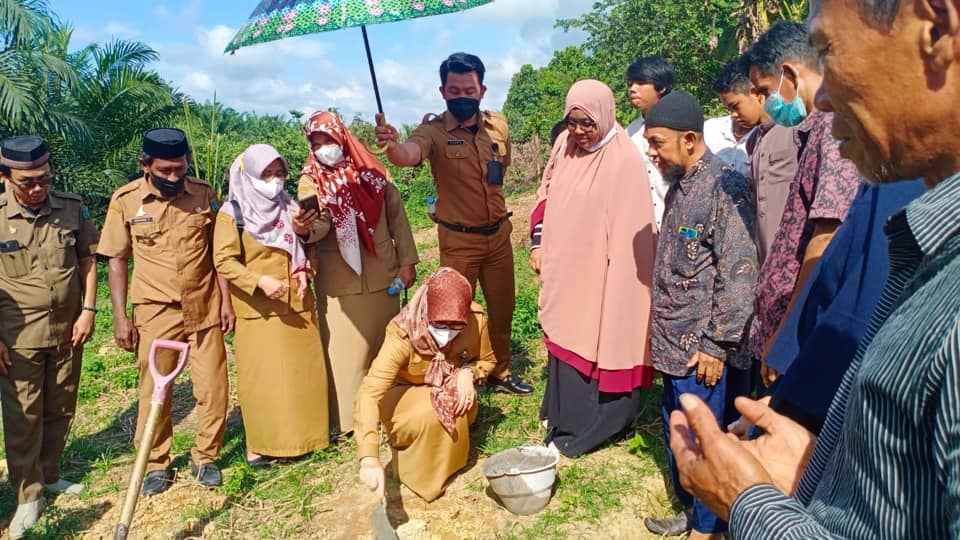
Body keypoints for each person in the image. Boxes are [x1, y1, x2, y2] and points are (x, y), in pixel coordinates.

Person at [669, 1, 960, 537]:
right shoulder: (924, 241)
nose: (822, 97)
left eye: (829, 49)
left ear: (936, 27)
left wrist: (749, 504)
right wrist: (827, 467)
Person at [374, 52, 531, 396]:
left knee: (503, 309)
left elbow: (502, 167)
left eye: (469, 89)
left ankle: (499, 372)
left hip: (499, 238)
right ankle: (458, 377)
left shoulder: (498, 125)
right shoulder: (433, 131)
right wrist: (391, 145)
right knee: (454, 315)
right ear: (443, 91)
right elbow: (408, 155)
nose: (463, 96)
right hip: (459, 242)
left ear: (482, 89)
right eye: (455, 90)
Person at [642, 91, 758, 540]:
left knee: (708, 441)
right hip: (674, 343)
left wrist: (716, 343)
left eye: (657, 142)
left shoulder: (723, 187)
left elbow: (740, 270)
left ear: (689, 139)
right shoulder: (683, 184)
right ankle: (694, 513)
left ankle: (711, 529)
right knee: (681, 432)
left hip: (702, 350)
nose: (651, 151)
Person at [98, 128, 233, 496]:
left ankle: (205, 457)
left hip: (204, 305)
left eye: (180, 169)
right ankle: (157, 462)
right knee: (154, 390)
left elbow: (217, 254)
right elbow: (116, 260)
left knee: (214, 387)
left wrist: (226, 301)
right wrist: (121, 317)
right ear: (146, 165)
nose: (174, 177)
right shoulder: (126, 201)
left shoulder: (204, 194)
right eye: (166, 170)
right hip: (155, 311)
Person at [528, 80, 657, 457]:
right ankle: (563, 414)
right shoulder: (563, 146)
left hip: (602, 272)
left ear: (605, 114)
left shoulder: (624, 159)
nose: (580, 132)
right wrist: (542, 243)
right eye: (573, 122)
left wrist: (616, 282)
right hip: (565, 267)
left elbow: (631, 233)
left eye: (588, 123)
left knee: (597, 334)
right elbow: (547, 192)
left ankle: (593, 423)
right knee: (565, 334)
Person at [744, 21, 861, 385]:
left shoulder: (831, 130)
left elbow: (825, 237)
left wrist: (787, 336)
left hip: (799, 333)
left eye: (766, 89)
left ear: (789, 74)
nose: (767, 103)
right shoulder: (812, 132)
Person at [297, 111, 418, 438]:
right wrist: (306, 229)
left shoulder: (373, 172)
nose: (324, 148)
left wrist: (407, 263)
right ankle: (351, 423)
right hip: (341, 282)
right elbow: (315, 228)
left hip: (382, 273)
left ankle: (391, 408)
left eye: (329, 140)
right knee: (346, 357)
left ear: (343, 138)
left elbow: (398, 219)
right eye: (316, 142)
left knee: (387, 346)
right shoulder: (311, 181)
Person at [0, 136, 98, 538]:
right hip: (17, 335)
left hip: (67, 328)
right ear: (6, 177)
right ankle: (27, 495)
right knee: (23, 416)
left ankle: (51, 473)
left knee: (61, 405)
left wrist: (89, 311)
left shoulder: (70, 208)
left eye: (44, 178)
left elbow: (88, 260)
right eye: (28, 182)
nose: (38, 187)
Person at [213, 144, 331, 466]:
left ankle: (309, 437)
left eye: (280, 173)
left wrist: (306, 269)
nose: (275, 180)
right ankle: (262, 445)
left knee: (300, 376)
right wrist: (259, 282)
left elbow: (308, 247)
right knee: (263, 380)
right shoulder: (232, 214)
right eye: (267, 173)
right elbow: (223, 261)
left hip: (298, 304)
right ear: (249, 174)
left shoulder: (289, 207)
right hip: (259, 310)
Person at [355, 267, 497, 502]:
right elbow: (369, 393)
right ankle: (420, 476)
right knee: (430, 411)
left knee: (458, 402)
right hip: (403, 392)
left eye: (456, 328)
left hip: (450, 383)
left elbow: (488, 360)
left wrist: (468, 373)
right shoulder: (403, 332)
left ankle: (451, 464)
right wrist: (369, 458)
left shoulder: (475, 319)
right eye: (440, 326)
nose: (448, 335)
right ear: (427, 312)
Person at [715, 56, 800, 267]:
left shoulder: (795, 128)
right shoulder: (754, 141)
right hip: (767, 260)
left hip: (796, 256)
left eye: (735, 106)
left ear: (755, 93)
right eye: (728, 110)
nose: (733, 115)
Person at [625, 55, 674, 230]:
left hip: (678, 223)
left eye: (640, 82)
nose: (632, 89)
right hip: (642, 226)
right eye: (630, 84)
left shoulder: (681, 126)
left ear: (661, 87)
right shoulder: (629, 133)